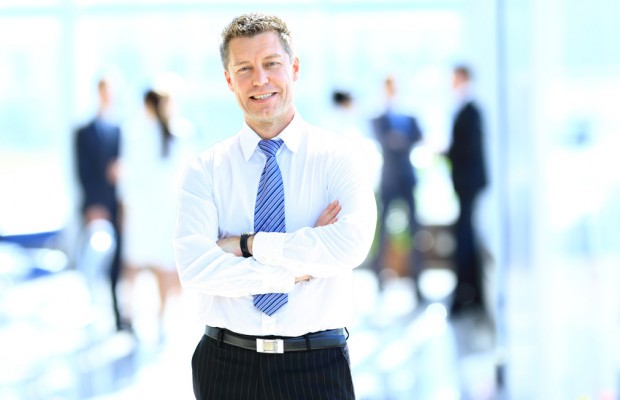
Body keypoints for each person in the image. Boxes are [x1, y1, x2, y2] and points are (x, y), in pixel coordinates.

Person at [173, 13, 377, 400]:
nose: (260, 80)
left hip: (316, 363)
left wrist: (248, 245)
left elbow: (349, 247)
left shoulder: (339, 159)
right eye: (245, 68)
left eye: (271, 64)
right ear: (229, 80)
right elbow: (197, 269)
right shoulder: (205, 170)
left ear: (294, 68)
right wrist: (297, 270)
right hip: (225, 364)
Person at [117, 87, 194, 338]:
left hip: (141, 209)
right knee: (164, 267)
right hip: (166, 210)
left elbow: (126, 178)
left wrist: (123, 209)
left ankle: (129, 315)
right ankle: (160, 319)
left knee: (133, 266)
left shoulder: (134, 133)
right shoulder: (180, 132)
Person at [75, 77, 128, 331]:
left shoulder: (120, 130)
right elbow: (82, 173)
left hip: (117, 206)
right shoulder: (83, 132)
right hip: (96, 207)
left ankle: (118, 317)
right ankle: (91, 313)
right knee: (94, 259)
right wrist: (92, 208)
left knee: (118, 264)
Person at [370, 76, 423, 292]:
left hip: (407, 178)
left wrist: (398, 139)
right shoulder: (379, 117)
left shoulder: (409, 117)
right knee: (382, 228)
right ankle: (379, 277)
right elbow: (384, 140)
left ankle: (417, 278)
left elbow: (417, 136)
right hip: (389, 179)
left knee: (415, 228)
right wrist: (399, 140)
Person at [446, 65, 488, 315]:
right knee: (464, 234)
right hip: (466, 185)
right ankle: (467, 291)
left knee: (465, 236)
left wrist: (448, 151)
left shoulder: (471, 111)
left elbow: (467, 149)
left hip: (468, 184)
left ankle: (466, 293)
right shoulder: (465, 109)